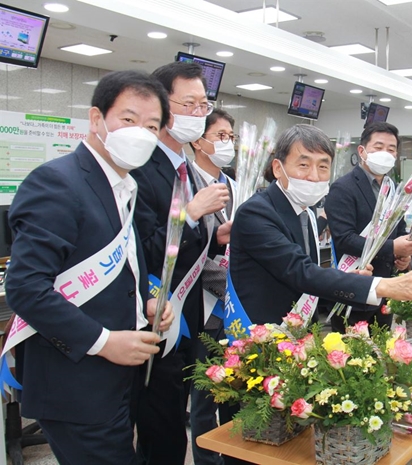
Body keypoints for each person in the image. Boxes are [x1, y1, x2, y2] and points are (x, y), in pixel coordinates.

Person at [4, 70, 174, 465]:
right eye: (128, 120)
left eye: (152, 126)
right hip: (75, 382)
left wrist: (145, 303)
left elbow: (118, 267)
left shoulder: (123, 186)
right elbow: (27, 288)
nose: (140, 134)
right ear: (97, 120)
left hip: (117, 380)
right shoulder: (58, 182)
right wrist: (104, 341)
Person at [229, 124, 412, 326]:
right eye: (303, 165)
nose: (314, 176)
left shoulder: (307, 211)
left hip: (299, 330)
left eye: (323, 167)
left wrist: (351, 280)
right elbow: (299, 271)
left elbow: (310, 275)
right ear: (278, 168)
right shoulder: (256, 212)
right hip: (258, 331)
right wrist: (384, 285)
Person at [130, 61, 230, 465]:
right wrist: (189, 215)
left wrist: (216, 238)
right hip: (155, 314)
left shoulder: (187, 166)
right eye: (188, 103)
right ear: (162, 106)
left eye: (203, 103)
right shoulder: (140, 167)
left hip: (190, 315)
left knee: (177, 422)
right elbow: (142, 250)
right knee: (161, 430)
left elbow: (190, 249)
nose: (198, 113)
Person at [325, 122, 412, 332]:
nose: (385, 153)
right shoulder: (343, 188)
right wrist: (392, 248)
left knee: (383, 353)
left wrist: (403, 256)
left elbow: (398, 230)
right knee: (349, 357)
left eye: (391, 149)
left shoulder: (393, 189)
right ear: (362, 151)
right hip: (353, 285)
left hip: (386, 288)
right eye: (378, 147)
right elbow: (344, 239)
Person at [188, 108, 242, 465]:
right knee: (206, 399)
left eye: (230, 137)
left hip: (236, 311)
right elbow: (181, 247)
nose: (227, 144)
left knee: (238, 396)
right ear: (198, 139)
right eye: (220, 136)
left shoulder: (237, 187)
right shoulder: (187, 186)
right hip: (203, 308)